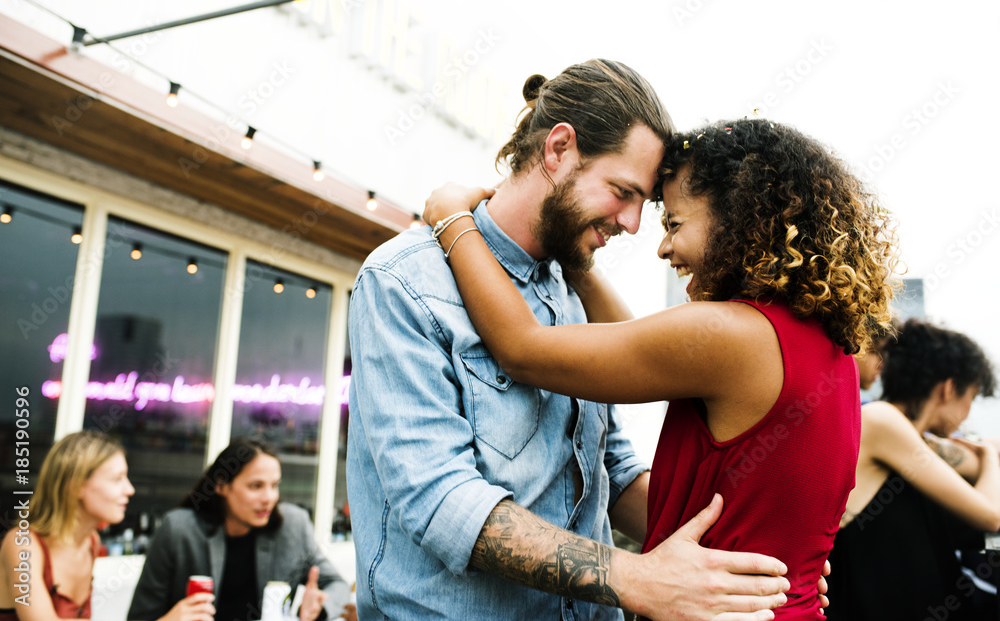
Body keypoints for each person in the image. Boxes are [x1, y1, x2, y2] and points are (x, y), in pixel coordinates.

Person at [348, 59, 797, 621]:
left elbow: (611, 469)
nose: (634, 224)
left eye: (646, 205)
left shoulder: (571, 286)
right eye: (622, 191)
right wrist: (636, 578)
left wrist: (749, 564)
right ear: (558, 149)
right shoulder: (405, 280)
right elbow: (440, 500)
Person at [423, 116, 899, 618]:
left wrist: (451, 220)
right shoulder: (823, 344)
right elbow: (636, 345)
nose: (663, 246)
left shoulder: (735, 337)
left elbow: (522, 348)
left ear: (738, 219)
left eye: (674, 223)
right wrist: (576, 259)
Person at [825, 319, 999, 620]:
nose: (968, 412)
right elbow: (991, 515)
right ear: (949, 388)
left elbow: (955, 455)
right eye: (970, 398)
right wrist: (990, 456)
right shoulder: (881, 420)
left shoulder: (908, 436)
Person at [128, 437, 354, 621]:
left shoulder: (292, 526)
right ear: (221, 485)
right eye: (256, 486)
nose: (269, 498)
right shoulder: (178, 530)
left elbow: (337, 585)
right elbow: (141, 616)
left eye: (274, 485)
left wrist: (319, 606)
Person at [0, 430, 135, 620]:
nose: (130, 489)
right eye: (116, 479)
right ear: (75, 485)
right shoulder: (22, 544)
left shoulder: (91, 543)